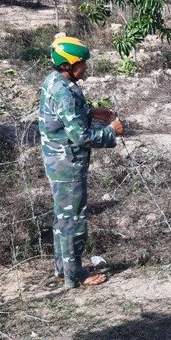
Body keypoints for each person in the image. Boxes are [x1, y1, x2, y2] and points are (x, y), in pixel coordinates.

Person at [39, 36, 124, 288]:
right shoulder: (64, 92)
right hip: (68, 165)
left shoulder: (53, 82)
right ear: (67, 66)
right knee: (73, 221)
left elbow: (64, 118)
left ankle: (63, 269)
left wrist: (89, 112)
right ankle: (75, 276)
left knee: (62, 219)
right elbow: (80, 136)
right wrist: (111, 131)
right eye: (81, 63)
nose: (85, 67)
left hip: (57, 162)